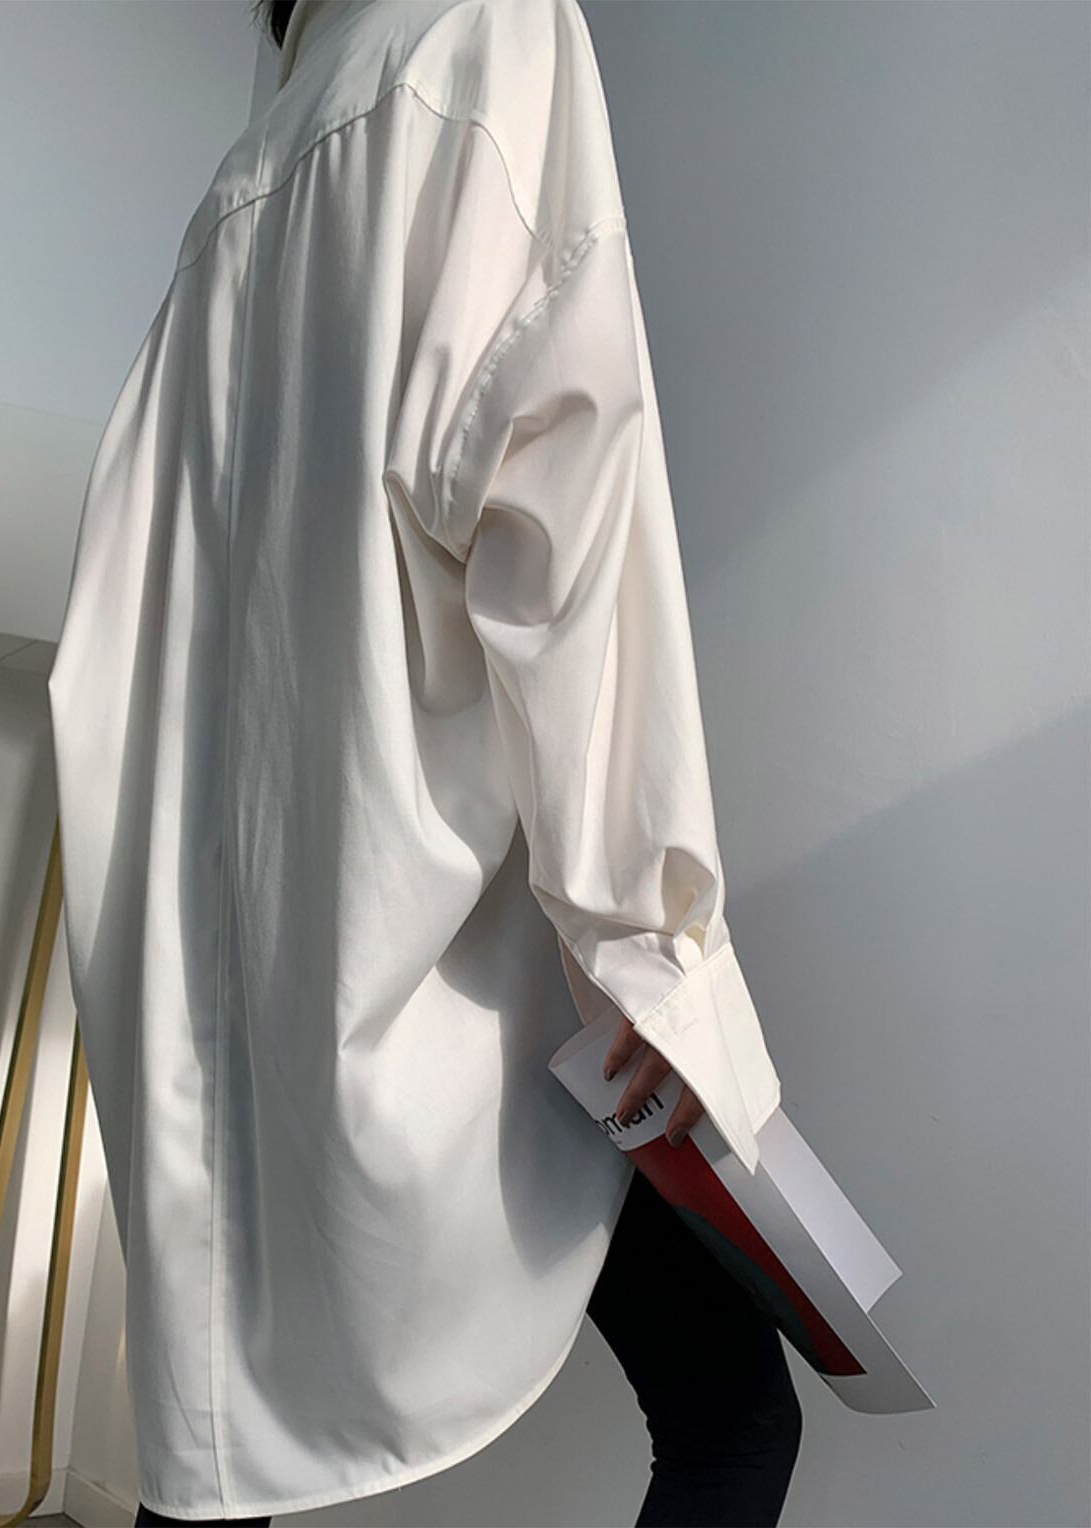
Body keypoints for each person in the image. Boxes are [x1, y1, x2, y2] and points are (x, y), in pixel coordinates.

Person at [47, 0, 801, 1524]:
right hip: (444, 981)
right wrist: (652, 948)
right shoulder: (487, 36)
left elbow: (122, 655)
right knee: (733, 1419)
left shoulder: (243, 183)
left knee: (216, 1460)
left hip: (232, 1002)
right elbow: (571, 549)